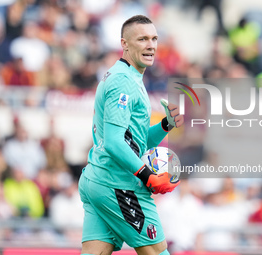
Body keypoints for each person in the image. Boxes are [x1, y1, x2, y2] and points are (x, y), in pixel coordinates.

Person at [78, 15, 184, 255]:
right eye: (143, 39)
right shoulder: (124, 82)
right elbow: (115, 143)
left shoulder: (127, 76)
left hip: (98, 179)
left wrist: (165, 125)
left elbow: (133, 142)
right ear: (124, 43)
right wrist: (148, 176)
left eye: (154, 39)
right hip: (118, 184)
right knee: (158, 252)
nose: (151, 45)